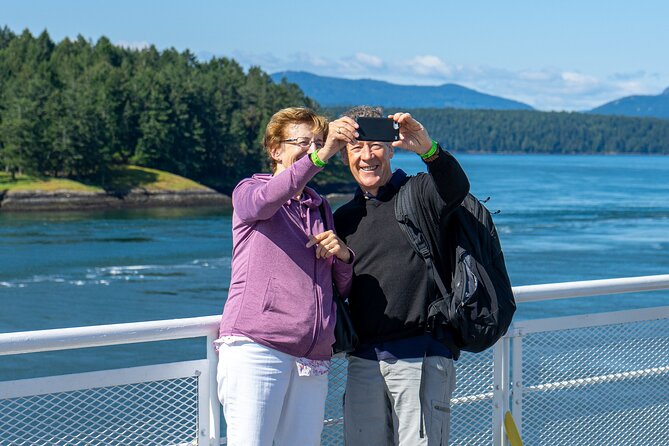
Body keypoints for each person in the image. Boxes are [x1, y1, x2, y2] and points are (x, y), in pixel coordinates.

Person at [216, 107, 358, 446]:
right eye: (302, 142)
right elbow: (264, 203)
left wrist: (343, 256)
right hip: (258, 347)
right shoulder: (250, 191)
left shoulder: (320, 207)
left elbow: (341, 287)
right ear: (274, 149)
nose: (312, 148)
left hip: (312, 355)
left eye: (318, 142)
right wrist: (321, 155)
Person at [333, 106, 471, 445]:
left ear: (392, 148)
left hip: (420, 356)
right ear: (343, 155)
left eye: (376, 145)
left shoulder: (420, 193)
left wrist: (427, 147)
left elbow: (456, 189)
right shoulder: (343, 218)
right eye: (356, 147)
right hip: (363, 359)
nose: (367, 156)